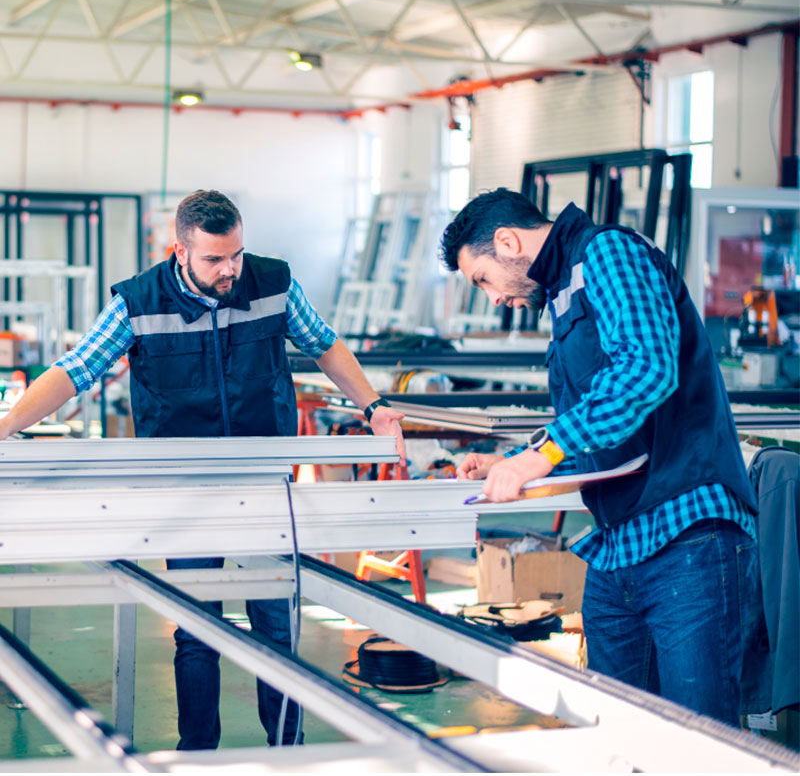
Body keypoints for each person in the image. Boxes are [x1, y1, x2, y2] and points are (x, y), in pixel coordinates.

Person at [0, 189, 405, 750]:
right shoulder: (138, 302)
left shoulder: (273, 283)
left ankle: (288, 749)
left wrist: (374, 407)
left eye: (236, 254)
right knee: (195, 629)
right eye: (214, 259)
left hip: (265, 485)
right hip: (183, 490)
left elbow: (325, 345)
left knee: (276, 624)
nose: (230, 270)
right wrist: (4, 426)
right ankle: (197, 755)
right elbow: (75, 370)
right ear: (180, 251)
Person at [442, 187, 758, 726]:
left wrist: (540, 455)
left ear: (507, 241)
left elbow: (645, 370)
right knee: (616, 733)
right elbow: (596, 423)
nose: (491, 297)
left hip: (685, 534)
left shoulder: (609, 254)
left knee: (701, 742)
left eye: (482, 279)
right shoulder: (564, 293)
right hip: (618, 550)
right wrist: (510, 460)